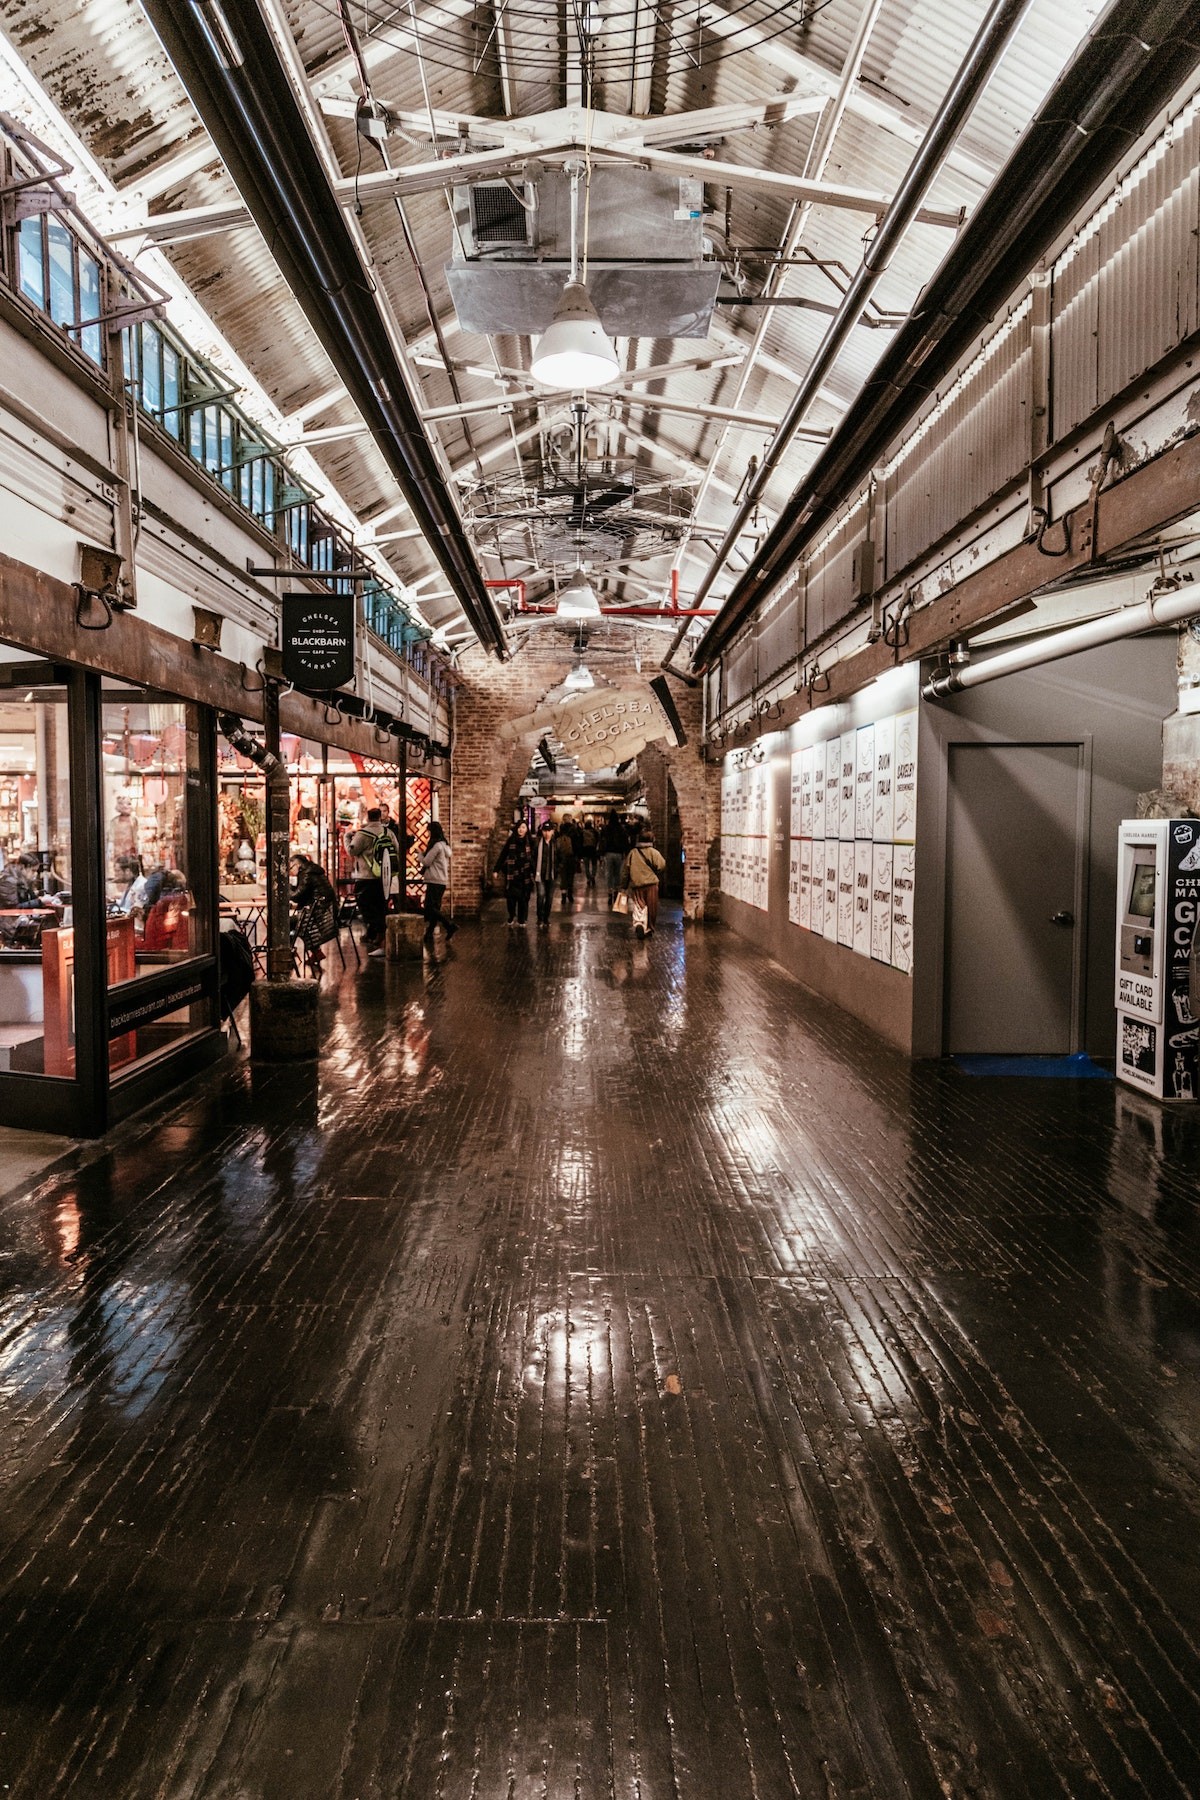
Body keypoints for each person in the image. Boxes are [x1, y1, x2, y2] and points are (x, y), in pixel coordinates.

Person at [349, 807, 389, 952]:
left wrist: (347, 838)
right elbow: (396, 848)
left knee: (365, 906)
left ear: (367, 817)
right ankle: (376, 934)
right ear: (380, 817)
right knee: (380, 905)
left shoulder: (363, 833)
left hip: (366, 876)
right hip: (384, 876)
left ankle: (379, 933)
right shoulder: (387, 832)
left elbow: (352, 850)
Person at [291, 853, 338, 969]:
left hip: (319, 914)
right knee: (299, 920)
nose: (290, 871)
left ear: (297, 865)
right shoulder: (313, 870)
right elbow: (303, 894)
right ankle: (316, 952)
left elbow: (297, 895)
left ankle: (288, 954)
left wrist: (285, 889)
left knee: (287, 923)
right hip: (325, 912)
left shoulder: (306, 873)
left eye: (291, 868)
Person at [621, 827, 667, 938]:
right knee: (652, 906)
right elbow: (662, 865)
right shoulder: (654, 853)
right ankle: (649, 928)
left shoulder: (633, 853)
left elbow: (625, 871)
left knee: (639, 905)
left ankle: (639, 923)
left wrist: (624, 885)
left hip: (637, 885)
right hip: (651, 884)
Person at [495, 819, 536, 927]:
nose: (520, 830)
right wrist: (496, 869)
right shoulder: (511, 840)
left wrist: (536, 871)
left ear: (527, 829)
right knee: (511, 898)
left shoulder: (530, 842)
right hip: (513, 874)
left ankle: (522, 919)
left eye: (523, 827)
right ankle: (511, 915)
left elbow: (535, 857)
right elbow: (503, 855)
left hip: (525, 874)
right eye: (519, 827)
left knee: (523, 898)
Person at [420, 821, 457, 942]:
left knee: (430, 908)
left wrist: (419, 855)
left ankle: (449, 925)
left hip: (434, 880)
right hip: (441, 880)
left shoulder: (436, 846)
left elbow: (426, 862)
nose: (428, 834)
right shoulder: (445, 845)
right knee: (435, 908)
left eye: (429, 831)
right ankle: (429, 934)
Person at [142, 870, 192, 952]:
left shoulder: (155, 908)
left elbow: (150, 943)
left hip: (158, 955)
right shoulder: (180, 905)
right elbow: (182, 944)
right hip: (174, 955)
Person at [533, 819, 558, 926]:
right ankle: (539, 918)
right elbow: (533, 857)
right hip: (540, 874)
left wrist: (558, 870)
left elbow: (561, 858)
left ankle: (546, 917)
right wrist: (534, 870)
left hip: (552, 875)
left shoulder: (556, 844)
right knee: (541, 895)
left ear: (553, 831)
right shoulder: (538, 843)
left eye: (549, 831)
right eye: (545, 831)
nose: (547, 833)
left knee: (549, 898)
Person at [599, 811, 626, 905]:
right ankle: (616, 891)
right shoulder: (621, 829)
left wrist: (601, 854)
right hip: (619, 853)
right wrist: (625, 852)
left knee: (609, 873)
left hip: (608, 853)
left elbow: (601, 842)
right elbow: (625, 841)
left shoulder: (605, 828)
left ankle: (610, 892)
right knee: (618, 873)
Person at [555, 815, 578, 908]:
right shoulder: (574, 830)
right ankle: (570, 894)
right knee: (571, 876)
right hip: (571, 856)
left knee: (563, 876)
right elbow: (577, 844)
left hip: (561, 857)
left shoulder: (560, 830)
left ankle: (563, 896)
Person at [580, 815, 598, 888]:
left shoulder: (582, 832)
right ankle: (593, 876)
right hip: (593, 850)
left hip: (585, 850)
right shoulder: (594, 831)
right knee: (594, 865)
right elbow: (597, 840)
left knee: (586, 866)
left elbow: (580, 841)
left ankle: (588, 878)